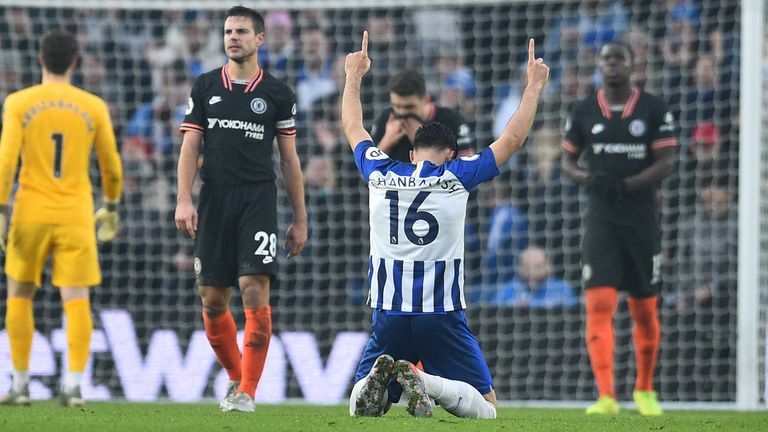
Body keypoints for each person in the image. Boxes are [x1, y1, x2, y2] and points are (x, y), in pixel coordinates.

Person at [342, 32, 549, 419]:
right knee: (488, 408)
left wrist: (354, 76)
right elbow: (515, 137)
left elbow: (354, 126)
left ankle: (377, 388)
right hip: (440, 312)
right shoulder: (456, 176)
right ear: (451, 155)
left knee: (360, 408)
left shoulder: (380, 171)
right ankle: (427, 383)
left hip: (388, 310)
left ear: (411, 153)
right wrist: (534, 85)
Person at [174, 6, 307, 413]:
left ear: (259, 40)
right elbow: (190, 146)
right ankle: (235, 376)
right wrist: (183, 198)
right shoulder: (205, 86)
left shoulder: (278, 94)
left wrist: (300, 219)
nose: (233, 37)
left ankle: (247, 391)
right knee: (213, 299)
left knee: (254, 288)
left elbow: (288, 160)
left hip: (257, 199)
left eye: (242, 31)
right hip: (214, 198)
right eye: (229, 31)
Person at [0, 29, 123, 407]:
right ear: (74, 62)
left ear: (40, 59)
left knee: (20, 294)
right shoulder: (93, 106)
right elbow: (112, 167)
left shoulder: (19, 102)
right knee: (77, 299)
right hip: (75, 213)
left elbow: (5, 162)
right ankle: (72, 385)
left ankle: (20, 385)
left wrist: (1, 208)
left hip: (30, 211)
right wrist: (112, 205)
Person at [561, 41, 677, 416]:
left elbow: (666, 163)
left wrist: (626, 186)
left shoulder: (653, 108)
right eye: (606, 58)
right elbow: (567, 161)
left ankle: (644, 389)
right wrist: (588, 179)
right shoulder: (582, 110)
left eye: (619, 58)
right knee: (599, 303)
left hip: (642, 219)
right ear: (599, 65)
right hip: (601, 220)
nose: (612, 64)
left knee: (644, 308)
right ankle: (607, 396)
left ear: (632, 64)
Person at [371, 69, 474, 163]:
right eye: (396, 106)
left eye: (409, 107)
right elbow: (366, 174)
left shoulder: (450, 119)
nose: (402, 113)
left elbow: (467, 168)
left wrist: (423, 142)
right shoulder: (387, 118)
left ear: (426, 100)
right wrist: (387, 141)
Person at [488, 246, 578, 309]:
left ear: (548, 266)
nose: (532, 272)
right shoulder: (508, 289)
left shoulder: (562, 288)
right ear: (520, 267)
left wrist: (529, 306)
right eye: (527, 266)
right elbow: (493, 310)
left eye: (537, 266)